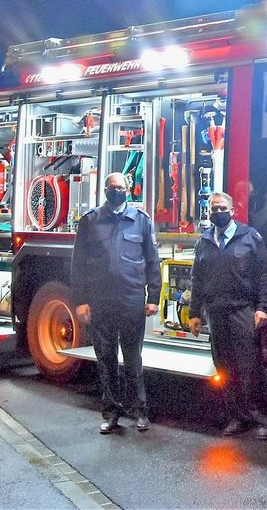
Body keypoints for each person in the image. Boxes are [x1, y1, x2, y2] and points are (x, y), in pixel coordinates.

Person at [71, 172, 161, 435]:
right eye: (113, 187)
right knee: (106, 358)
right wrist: (81, 301)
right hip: (101, 301)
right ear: (105, 190)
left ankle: (139, 411)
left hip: (132, 300)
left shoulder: (140, 220)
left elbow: (152, 261)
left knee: (133, 358)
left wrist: (153, 297)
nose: (117, 191)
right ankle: (111, 413)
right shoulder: (90, 221)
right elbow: (78, 264)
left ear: (129, 189)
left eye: (121, 187)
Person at [188, 192, 267, 439]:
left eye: (222, 208)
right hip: (216, 313)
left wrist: (263, 307)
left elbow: (265, 274)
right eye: (213, 208)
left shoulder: (250, 237)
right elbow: (197, 279)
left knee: (250, 368)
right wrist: (195, 313)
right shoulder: (204, 241)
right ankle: (237, 417)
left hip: (242, 311)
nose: (218, 212)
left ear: (232, 210)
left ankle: (261, 419)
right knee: (224, 369)